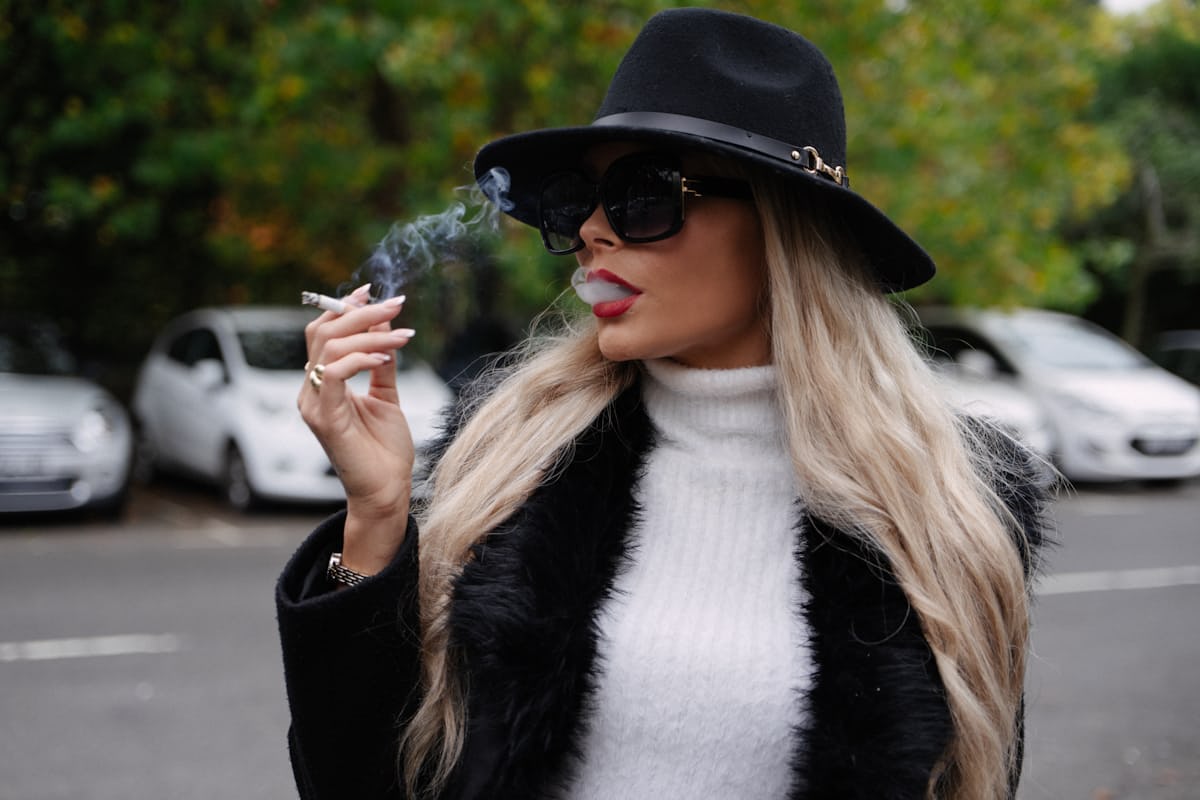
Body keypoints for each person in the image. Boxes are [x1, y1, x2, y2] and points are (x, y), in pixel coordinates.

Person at [278, 8, 1049, 800]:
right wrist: (377, 516)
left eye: (642, 194)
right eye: (577, 200)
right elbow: (363, 781)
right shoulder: (508, 458)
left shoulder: (947, 501)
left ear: (781, 228)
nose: (591, 230)